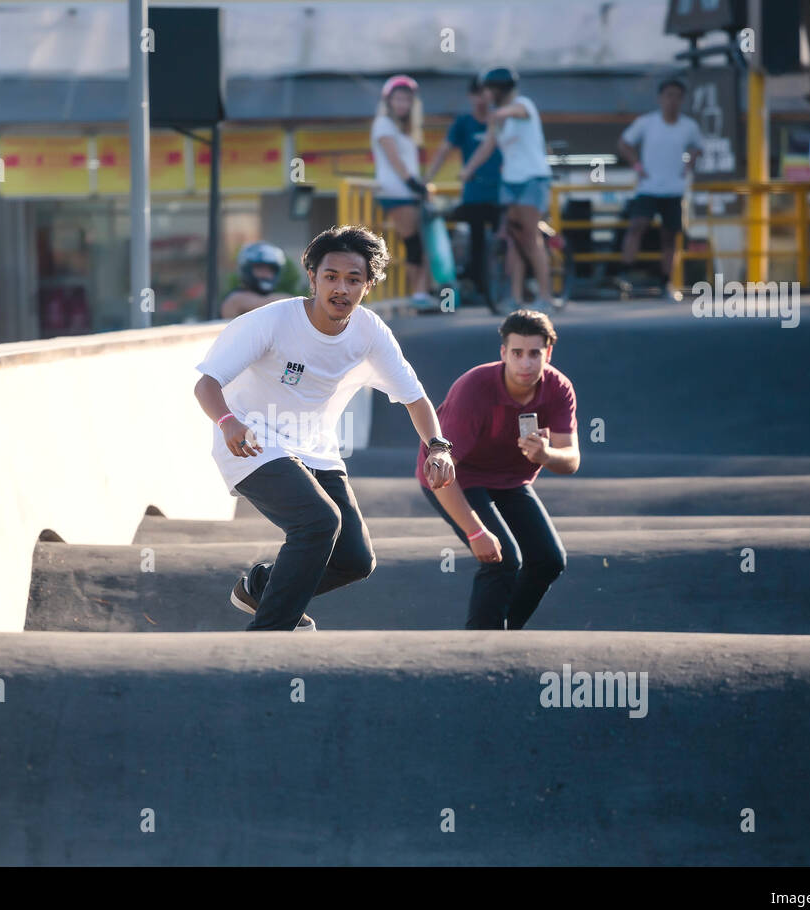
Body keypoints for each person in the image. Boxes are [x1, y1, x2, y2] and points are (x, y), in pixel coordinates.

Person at [192, 224, 458, 631]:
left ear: (367, 286)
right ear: (312, 277)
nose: (341, 289)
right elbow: (206, 383)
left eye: (354, 280)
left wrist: (438, 447)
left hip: (316, 449)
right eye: (331, 276)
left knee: (355, 559)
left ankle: (261, 587)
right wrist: (228, 422)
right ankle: (266, 638)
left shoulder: (370, 332)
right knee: (319, 521)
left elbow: (414, 397)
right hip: (252, 440)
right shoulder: (272, 322)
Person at [415, 309, 579, 630]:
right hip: (455, 478)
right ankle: (479, 652)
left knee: (548, 560)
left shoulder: (558, 388)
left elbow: (571, 460)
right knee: (501, 560)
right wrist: (476, 532)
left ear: (548, 353)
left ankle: (504, 637)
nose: (526, 363)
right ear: (503, 353)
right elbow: (443, 477)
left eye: (535, 354)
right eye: (517, 353)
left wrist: (546, 455)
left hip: (509, 481)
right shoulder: (474, 388)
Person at [460, 68, 555, 314]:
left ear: (499, 90)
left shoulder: (523, 105)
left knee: (530, 237)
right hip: (510, 181)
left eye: (489, 90)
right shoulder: (497, 119)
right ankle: (515, 297)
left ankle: (546, 297)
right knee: (514, 241)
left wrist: (499, 113)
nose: (486, 94)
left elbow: (518, 112)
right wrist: (468, 169)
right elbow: (487, 146)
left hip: (533, 178)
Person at [616, 77, 704, 302]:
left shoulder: (689, 126)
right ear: (660, 98)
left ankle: (666, 282)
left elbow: (698, 147)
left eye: (677, 96)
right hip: (648, 186)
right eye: (668, 95)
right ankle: (625, 274)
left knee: (670, 236)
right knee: (637, 226)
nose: (672, 101)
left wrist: (689, 163)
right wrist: (637, 165)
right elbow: (624, 143)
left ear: (682, 100)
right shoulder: (646, 123)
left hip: (674, 189)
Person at [422, 73, 503, 304]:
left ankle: (506, 286)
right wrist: (426, 179)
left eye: (485, 94)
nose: (481, 99)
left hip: (501, 194)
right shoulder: (463, 123)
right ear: (470, 96)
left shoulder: (499, 120)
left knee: (504, 240)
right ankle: (477, 287)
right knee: (475, 242)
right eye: (476, 94)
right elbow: (444, 152)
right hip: (474, 194)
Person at [371, 74, 435, 311]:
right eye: (398, 99)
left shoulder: (407, 129)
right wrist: (413, 183)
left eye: (406, 99)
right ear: (389, 101)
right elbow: (394, 159)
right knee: (413, 242)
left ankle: (424, 291)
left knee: (423, 242)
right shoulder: (383, 124)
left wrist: (419, 186)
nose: (402, 104)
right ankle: (417, 293)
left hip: (410, 191)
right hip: (396, 191)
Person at [221, 242, 290, 319]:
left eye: (269, 270)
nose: (265, 274)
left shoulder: (278, 298)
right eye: (260, 269)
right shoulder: (235, 299)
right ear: (246, 269)